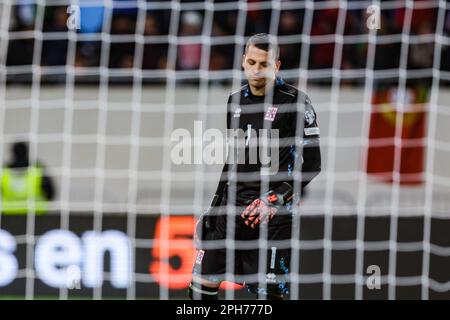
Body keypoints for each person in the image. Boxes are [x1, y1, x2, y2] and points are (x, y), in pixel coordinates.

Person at [188, 33, 321, 300]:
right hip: (231, 210)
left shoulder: (295, 101)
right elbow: (233, 161)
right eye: (252, 62)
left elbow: (313, 164)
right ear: (243, 62)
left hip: (272, 218)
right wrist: (213, 208)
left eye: (264, 64)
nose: (257, 70)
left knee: (268, 297)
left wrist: (275, 199)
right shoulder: (235, 101)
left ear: (277, 66)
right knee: (199, 291)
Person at [1, 142, 55, 215]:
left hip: (8, 215)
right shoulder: (38, 169)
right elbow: (50, 193)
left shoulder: (4, 171)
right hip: (36, 215)